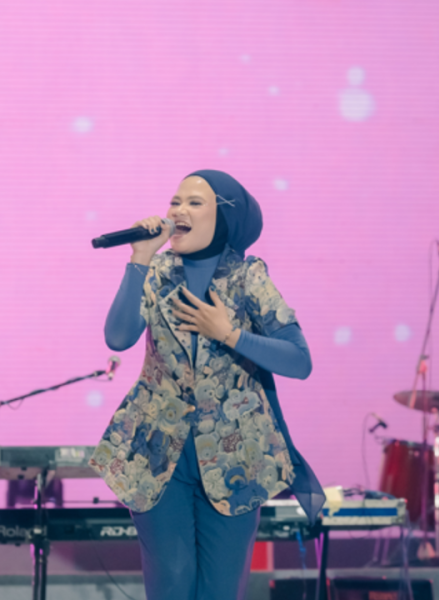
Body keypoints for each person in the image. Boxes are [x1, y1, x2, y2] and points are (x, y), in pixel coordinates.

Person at [89, 170, 323, 599]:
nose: (178, 210)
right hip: (159, 452)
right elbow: (118, 337)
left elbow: (299, 360)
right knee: (171, 582)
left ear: (225, 218)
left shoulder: (248, 277)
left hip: (236, 456)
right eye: (175, 201)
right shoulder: (157, 271)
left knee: (220, 589)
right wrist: (139, 258)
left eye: (194, 203)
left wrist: (230, 334)